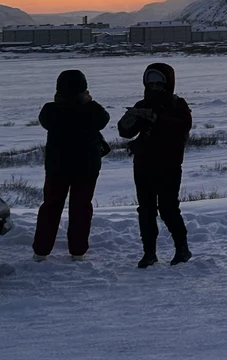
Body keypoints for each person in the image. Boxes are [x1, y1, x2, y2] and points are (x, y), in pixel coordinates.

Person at [118, 62, 193, 268]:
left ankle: (182, 249)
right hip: (144, 164)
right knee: (146, 210)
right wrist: (128, 120)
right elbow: (126, 132)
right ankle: (149, 253)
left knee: (169, 208)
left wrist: (157, 118)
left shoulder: (178, 105)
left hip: (169, 164)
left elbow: (182, 126)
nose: (154, 88)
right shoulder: (142, 104)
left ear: (167, 83)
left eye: (159, 84)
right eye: (151, 84)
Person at [32, 69, 110, 260]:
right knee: (81, 208)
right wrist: (87, 102)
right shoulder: (90, 110)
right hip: (87, 167)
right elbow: (103, 119)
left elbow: (45, 119)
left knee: (51, 206)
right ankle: (78, 251)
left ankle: (41, 251)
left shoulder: (51, 110)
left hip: (57, 167)